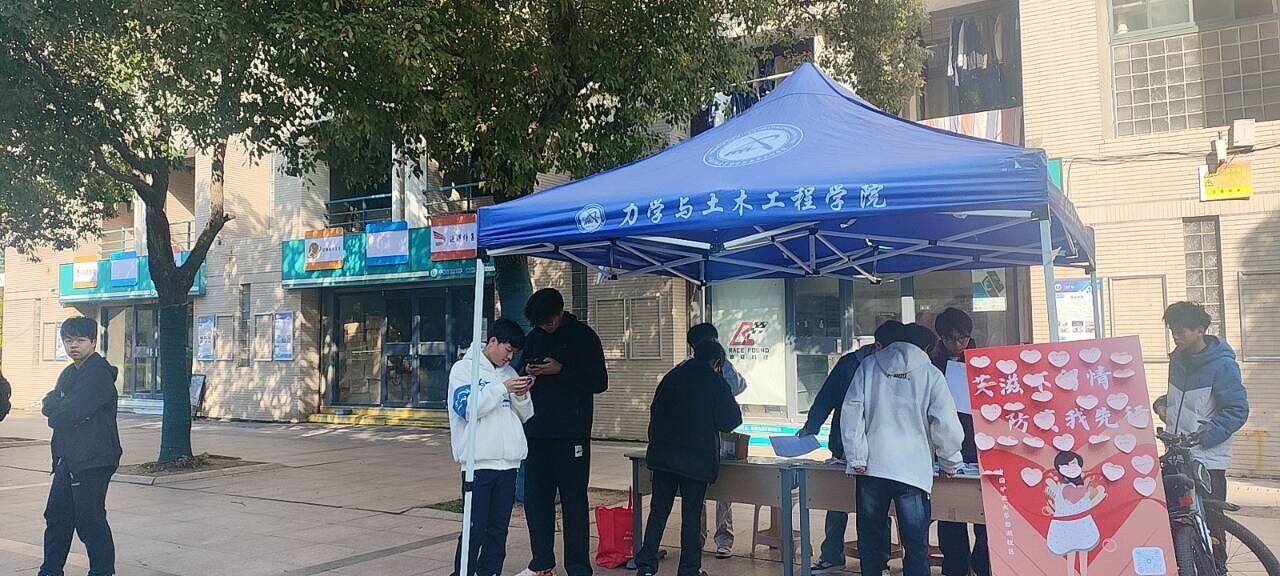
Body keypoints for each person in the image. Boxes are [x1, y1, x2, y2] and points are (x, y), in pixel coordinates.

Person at [842, 323, 965, 576]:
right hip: (913, 471)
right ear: (927, 348)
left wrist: (856, 457)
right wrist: (950, 462)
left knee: (871, 541)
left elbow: (852, 413)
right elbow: (946, 424)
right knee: (915, 544)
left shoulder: (868, 366)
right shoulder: (931, 375)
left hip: (872, 468)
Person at [798, 320, 905, 574]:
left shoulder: (898, 366)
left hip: (880, 451)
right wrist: (811, 426)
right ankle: (831, 554)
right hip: (844, 446)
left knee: (878, 508)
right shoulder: (849, 365)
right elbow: (826, 397)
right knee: (837, 503)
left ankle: (880, 561)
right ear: (878, 346)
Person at [517, 288, 609, 576]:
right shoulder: (534, 337)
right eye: (539, 324)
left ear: (560, 313)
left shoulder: (584, 337)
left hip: (571, 432)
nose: (545, 327)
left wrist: (561, 370)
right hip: (536, 431)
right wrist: (528, 371)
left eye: (548, 322)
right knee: (536, 499)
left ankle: (578, 567)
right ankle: (542, 562)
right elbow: (518, 373)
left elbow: (599, 381)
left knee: (573, 500)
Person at [636, 340, 743, 576]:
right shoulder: (715, 381)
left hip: (663, 457)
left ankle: (646, 566)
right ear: (717, 363)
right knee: (691, 517)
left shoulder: (672, 376)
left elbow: (655, 411)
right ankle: (688, 569)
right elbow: (731, 420)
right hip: (696, 460)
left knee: (658, 512)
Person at [1153, 301, 1248, 568]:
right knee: (1176, 522)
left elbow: (1237, 410)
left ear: (1200, 330)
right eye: (1173, 331)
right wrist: (1161, 404)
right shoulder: (1178, 360)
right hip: (1176, 454)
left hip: (1208, 459)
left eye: (1181, 332)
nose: (1176, 337)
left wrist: (1204, 437)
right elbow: (1182, 400)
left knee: (1212, 526)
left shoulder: (1223, 365)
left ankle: (1217, 569)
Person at [448, 318, 534, 576]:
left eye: (514, 353)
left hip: (508, 463)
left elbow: (525, 415)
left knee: (498, 529)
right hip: (478, 464)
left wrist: (521, 395)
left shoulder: (509, 373)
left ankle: (490, 572)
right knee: (475, 528)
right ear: (493, 341)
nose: (509, 357)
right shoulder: (464, 370)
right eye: (507, 350)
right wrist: (501, 389)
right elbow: (468, 409)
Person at [39, 316, 121, 576]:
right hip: (68, 457)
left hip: (94, 457)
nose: (73, 345)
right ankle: (50, 570)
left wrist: (59, 410)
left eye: (80, 340)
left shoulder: (97, 374)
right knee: (57, 516)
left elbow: (70, 412)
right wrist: (59, 408)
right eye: (68, 340)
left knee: (89, 520)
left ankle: (102, 571)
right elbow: (49, 403)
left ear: (93, 342)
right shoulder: (69, 373)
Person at [930, 308, 990, 576]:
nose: (957, 344)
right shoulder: (933, 364)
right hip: (946, 446)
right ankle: (955, 566)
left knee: (984, 514)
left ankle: (983, 564)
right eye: (951, 338)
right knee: (950, 512)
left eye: (962, 338)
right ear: (940, 337)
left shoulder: (983, 361)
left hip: (980, 443)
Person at [686, 323, 746, 559]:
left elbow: (739, 386)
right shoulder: (687, 367)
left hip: (721, 435)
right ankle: (697, 538)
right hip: (697, 437)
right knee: (696, 492)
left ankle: (724, 539)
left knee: (724, 490)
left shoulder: (723, 365)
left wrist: (723, 366)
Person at [1043, 450, 1106, 576]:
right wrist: (1091, 490)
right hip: (1068, 526)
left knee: (1083, 553)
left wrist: (1091, 490)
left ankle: (1084, 573)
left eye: (1074, 464)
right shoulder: (1064, 487)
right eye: (1068, 465)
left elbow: (1085, 501)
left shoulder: (1076, 486)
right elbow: (1076, 499)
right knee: (1071, 554)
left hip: (1081, 524)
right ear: (1060, 468)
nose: (1072, 468)